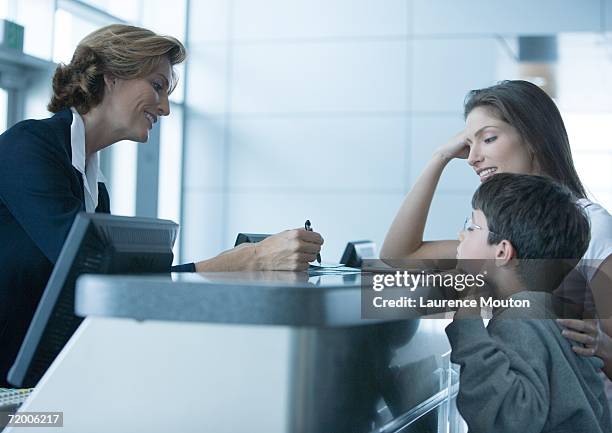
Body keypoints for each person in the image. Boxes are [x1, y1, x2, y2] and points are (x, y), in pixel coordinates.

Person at [0, 24, 323, 386]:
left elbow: (106, 291)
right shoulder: (29, 147)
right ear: (111, 77)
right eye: (157, 86)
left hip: (33, 380)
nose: (166, 109)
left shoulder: (92, 183)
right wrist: (242, 261)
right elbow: (99, 282)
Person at [380, 80, 612, 380]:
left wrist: (601, 345)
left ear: (535, 139)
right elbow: (399, 256)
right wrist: (440, 158)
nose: (473, 157)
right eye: (468, 143)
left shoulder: (593, 226)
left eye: (487, 139)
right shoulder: (487, 228)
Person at [447, 172, 610, 433]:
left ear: (501, 251)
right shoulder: (551, 312)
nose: (461, 235)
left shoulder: (520, 317)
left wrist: (467, 320)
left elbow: (507, 420)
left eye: (471, 227)